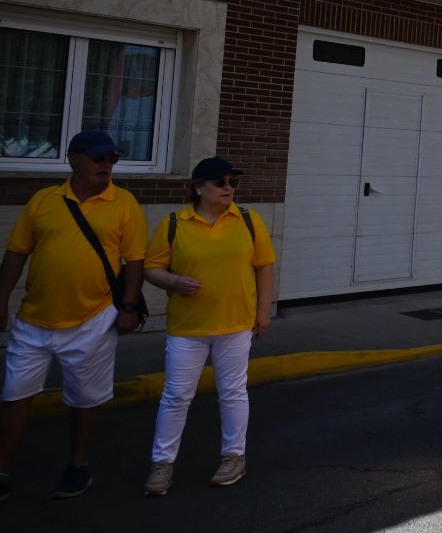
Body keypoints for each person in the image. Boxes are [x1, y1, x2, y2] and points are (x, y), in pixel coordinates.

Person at [0, 130, 147, 500]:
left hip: (93, 320)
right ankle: (1, 468)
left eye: (112, 159)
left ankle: (78, 464)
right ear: (74, 159)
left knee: (85, 400)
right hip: (33, 320)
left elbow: (135, 262)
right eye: (99, 158)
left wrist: (128, 307)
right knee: (14, 396)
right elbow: (17, 253)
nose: (107, 165)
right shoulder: (44, 200)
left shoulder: (124, 203)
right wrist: (1, 299)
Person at [140, 158, 276, 495]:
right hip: (188, 328)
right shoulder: (174, 223)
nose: (228, 187)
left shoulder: (248, 220)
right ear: (199, 187)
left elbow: (264, 267)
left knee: (232, 393)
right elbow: (151, 268)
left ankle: (234, 457)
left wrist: (263, 313)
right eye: (220, 182)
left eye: (233, 182)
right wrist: (173, 280)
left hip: (235, 325)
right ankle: (162, 465)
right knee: (176, 396)